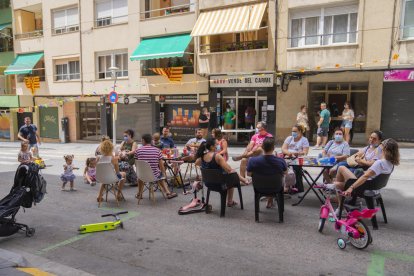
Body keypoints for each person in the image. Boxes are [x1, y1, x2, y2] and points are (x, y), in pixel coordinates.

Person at [324, 138, 400, 215]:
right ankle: (342, 195)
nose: (379, 148)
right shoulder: (390, 163)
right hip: (375, 187)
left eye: (381, 147)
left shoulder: (380, 163)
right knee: (341, 176)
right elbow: (371, 174)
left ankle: (342, 207)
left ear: (385, 149)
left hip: (365, 187)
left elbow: (365, 177)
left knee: (339, 177)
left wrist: (351, 188)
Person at [195, 138, 248, 207]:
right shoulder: (217, 156)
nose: (218, 146)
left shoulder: (202, 157)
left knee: (231, 174)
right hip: (220, 184)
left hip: (208, 183)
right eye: (217, 144)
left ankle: (244, 181)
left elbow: (197, 163)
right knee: (232, 175)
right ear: (212, 146)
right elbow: (229, 170)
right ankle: (230, 201)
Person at [247, 137, 288, 208]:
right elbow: (285, 173)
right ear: (273, 148)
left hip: (259, 187)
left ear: (262, 147)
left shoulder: (252, 160)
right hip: (276, 187)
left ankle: (269, 201)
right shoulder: (281, 161)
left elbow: (249, 174)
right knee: (274, 178)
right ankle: (270, 201)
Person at [134, 134, 177, 200]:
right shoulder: (157, 151)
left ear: (143, 141)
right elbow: (161, 165)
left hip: (142, 176)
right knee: (160, 174)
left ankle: (139, 194)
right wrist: (164, 174)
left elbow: (136, 164)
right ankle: (167, 192)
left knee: (140, 177)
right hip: (154, 176)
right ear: (151, 141)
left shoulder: (137, 151)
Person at [281, 124, 309, 192]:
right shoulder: (289, 138)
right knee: (281, 166)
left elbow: (305, 152)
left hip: (297, 158)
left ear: (300, 131)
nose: (293, 133)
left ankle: (292, 186)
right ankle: (285, 185)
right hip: (288, 156)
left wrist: (294, 154)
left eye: (295, 131)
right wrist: (289, 154)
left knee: (295, 167)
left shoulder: (304, 140)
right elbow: (283, 149)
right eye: (292, 131)